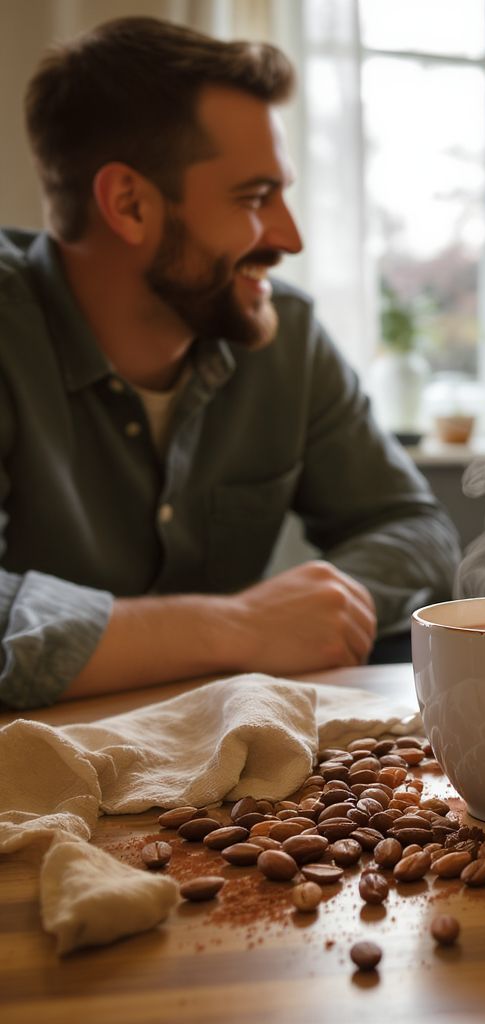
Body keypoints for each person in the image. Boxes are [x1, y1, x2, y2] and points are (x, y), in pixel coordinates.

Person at [0, 17, 461, 709]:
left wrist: (320, 608)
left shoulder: (287, 335)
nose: (291, 236)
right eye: (254, 198)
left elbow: (415, 531)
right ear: (129, 204)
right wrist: (236, 627)